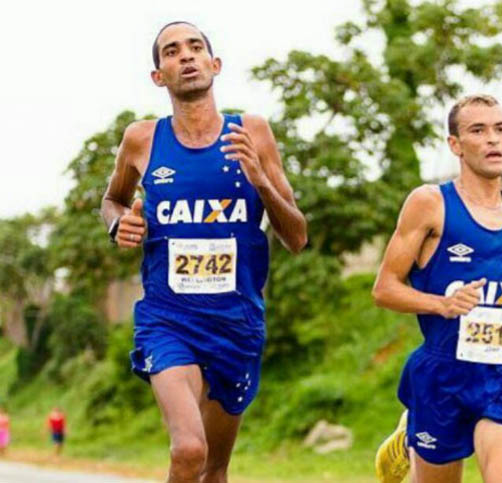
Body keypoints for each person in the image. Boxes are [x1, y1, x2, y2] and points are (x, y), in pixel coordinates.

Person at [100, 21, 307, 482]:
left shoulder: (252, 132)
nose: (186, 57)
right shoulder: (143, 139)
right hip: (168, 319)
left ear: (215, 65)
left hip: (236, 322)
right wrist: (119, 224)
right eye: (172, 52)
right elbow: (112, 200)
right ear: (159, 76)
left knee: (214, 467)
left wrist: (261, 183)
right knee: (189, 450)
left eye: (196, 48)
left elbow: (296, 236)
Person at [372, 94, 502, 483]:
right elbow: (385, 288)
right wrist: (442, 304)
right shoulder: (430, 204)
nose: (493, 139)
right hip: (444, 374)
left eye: (500, 129)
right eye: (478, 130)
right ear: (455, 144)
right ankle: (411, 431)